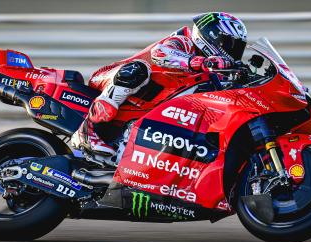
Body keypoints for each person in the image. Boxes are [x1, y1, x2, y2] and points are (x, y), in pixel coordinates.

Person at [71, 12, 247, 156]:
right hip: (110, 77)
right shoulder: (184, 41)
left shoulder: (212, 73)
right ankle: (88, 129)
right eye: (231, 45)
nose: (233, 52)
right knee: (138, 70)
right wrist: (200, 62)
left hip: (142, 105)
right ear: (213, 36)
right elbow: (160, 53)